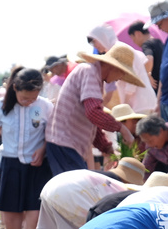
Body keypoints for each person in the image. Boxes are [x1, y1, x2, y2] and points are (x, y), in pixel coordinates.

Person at [0, 67, 54, 229]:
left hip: (37, 167)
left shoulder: (45, 107)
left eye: (33, 98)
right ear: (15, 88)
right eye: (25, 98)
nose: (29, 102)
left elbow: (50, 136)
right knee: (12, 222)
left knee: (34, 220)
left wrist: (42, 150)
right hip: (10, 166)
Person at [45, 43, 143, 174]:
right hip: (64, 143)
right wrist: (122, 129)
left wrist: (106, 148)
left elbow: (92, 120)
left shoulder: (94, 77)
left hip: (67, 144)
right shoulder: (89, 72)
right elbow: (93, 113)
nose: (120, 78)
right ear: (113, 67)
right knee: (74, 189)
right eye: (122, 73)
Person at [89, 25, 157, 115]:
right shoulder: (117, 49)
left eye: (94, 42)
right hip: (142, 103)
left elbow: (132, 79)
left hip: (140, 104)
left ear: (102, 37)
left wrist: (125, 106)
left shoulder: (119, 50)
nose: (94, 46)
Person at [128, 20, 164, 93]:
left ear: (138, 34)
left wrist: (148, 74)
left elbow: (149, 59)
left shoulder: (146, 44)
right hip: (164, 83)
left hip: (155, 85)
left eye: (132, 38)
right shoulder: (158, 42)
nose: (133, 41)